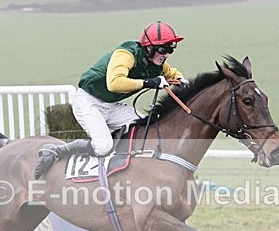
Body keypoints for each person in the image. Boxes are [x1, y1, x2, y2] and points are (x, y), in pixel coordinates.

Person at [34, 21, 188, 179]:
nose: (166, 54)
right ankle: (57, 150)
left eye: (171, 49)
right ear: (148, 47)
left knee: (145, 133)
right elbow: (114, 83)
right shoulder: (126, 54)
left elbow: (172, 73)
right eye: (163, 49)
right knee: (103, 146)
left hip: (112, 106)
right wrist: (149, 83)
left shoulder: (156, 62)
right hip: (88, 101)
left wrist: (181, 80)